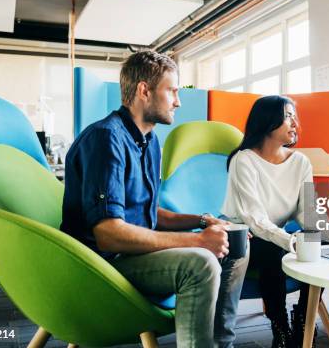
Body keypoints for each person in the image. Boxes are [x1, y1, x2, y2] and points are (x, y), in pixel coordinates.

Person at [61, 50, 249, 348]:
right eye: (172, 91)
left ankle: (218, 344)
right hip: (101, 266)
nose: (178, 101)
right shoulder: (106, 139)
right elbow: (109, 234)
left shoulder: (149, 141)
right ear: (144, 91)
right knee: (200, 263)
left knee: (234, 244)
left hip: (133, 255)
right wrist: (198, 241)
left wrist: (203, 221)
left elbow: (147, 213)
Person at [221, 95, 329, 348]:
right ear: (268, 121)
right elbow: (255, 220)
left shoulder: (300, 162)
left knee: (319, 243)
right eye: (288, 116)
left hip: (276, 234)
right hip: (242, 236)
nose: (295, 123)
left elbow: (308, 213)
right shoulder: (243, 160)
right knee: (273, 249)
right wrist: (290, 241)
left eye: (294, 116)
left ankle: (302, 315)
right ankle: (280, 327)